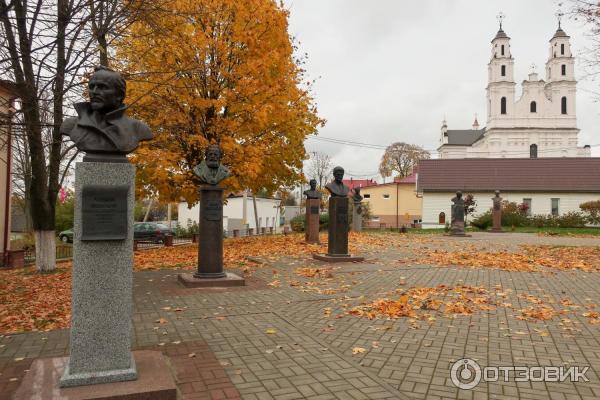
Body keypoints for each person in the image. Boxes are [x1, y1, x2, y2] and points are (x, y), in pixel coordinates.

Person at [61, 65, 152, 160]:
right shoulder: (71, 125)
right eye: (92, 87)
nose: (94, 92)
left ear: (119, 95)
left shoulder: (137, 129)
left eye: (102, 87)